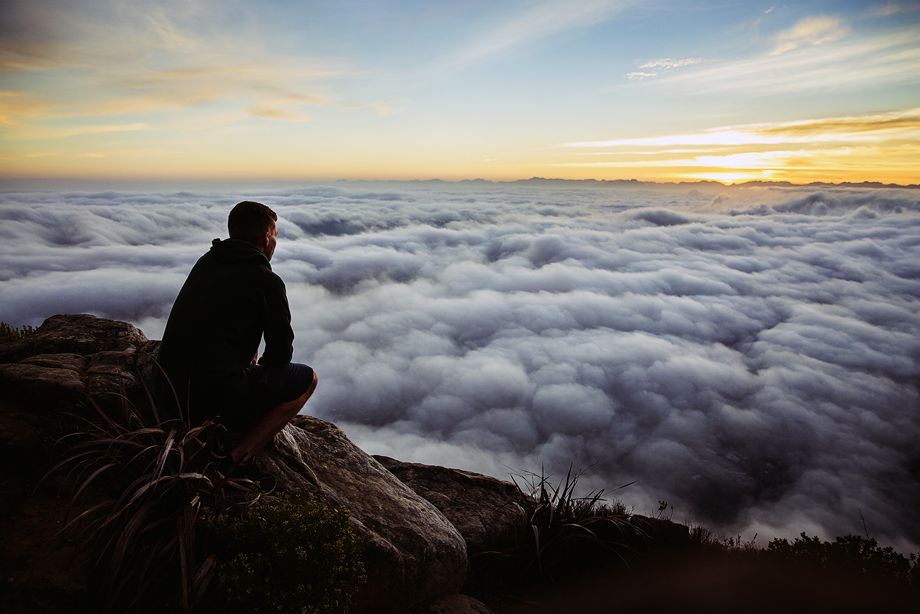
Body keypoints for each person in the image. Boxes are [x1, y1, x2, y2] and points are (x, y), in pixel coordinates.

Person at [158, 201, 316, 464]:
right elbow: (280, 356)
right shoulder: (267, 281)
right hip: (211, 399)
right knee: (308, 379)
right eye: (275, 236)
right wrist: (256, 372)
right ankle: (235, 456)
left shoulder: (208, 261)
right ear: (267, 238)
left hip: (169, 390)